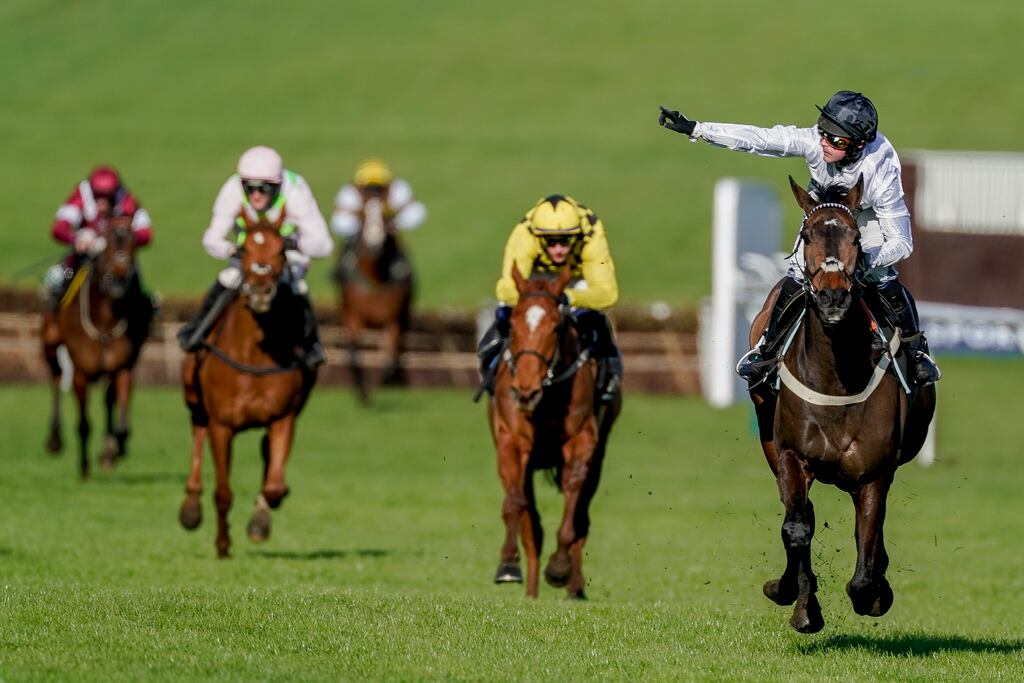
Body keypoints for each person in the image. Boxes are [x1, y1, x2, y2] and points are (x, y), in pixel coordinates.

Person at [658, 90, 940, 387]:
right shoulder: (813, 141)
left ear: (858, 146)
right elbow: (759, 140)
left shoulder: (881, 170)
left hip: (865, 215)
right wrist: (697, 129)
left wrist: (869, 259)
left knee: (881, 274)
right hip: (822, 206)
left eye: (837, 141)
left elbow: (902, 242)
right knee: (796, 269)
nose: (824, 143)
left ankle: (916, 352)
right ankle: (766, 352)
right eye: (823, 130)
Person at [177, 146, 334, 369]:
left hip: (286, 255)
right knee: (229, 277)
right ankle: (196, 330)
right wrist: (232, 250)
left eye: (263, 188)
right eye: (249, 188)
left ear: (277, 185)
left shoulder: (296, 192)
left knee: (296, 285)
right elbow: (211, 239)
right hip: (247, 253)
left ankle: (311, 346)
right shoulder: (232, 190)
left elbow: (323, 245)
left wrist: (290, 244)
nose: (255, 195)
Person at [478, 194, 622, 403]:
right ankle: (490, 363)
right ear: (539, 237)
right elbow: (505, 289)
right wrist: (538, 299)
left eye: (565, 241)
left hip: (575, 279)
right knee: (505, 314)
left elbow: (607, 293)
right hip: (534, 282)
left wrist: (566, 297)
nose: (558, 249)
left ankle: (609, 376)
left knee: (595, 320)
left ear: (575, 237)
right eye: (551, 242)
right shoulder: (525, 234)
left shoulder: (591, 234)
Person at [43, 166, 156, 341]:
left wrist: (121, 237)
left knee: (135, 283)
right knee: (61, 279)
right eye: (98, 197)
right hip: (81, 258)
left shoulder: (127, 199)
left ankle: (144, 321)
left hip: (116, 259)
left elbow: (146, 234)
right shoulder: (81, 195)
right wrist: (77, 239)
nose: (102, 202)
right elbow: (59, 229)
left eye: (107, 197)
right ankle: (53, 323)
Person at [330, 158, 426, 281]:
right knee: (348, 250)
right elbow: (339, 221)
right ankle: (341, 270)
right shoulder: (350, 194)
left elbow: (416, 211)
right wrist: (360, 227)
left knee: (400, 251)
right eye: (369, 187)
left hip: (387, 231)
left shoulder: (397, 190)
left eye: (377, 187)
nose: (373, 191)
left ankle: (402, 269)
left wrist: (395, 224)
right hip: (359, 233)